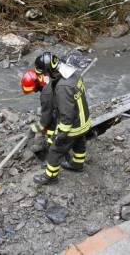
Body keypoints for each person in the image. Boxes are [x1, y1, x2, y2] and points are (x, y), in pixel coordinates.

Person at [32, 52, 91, 185]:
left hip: (73, 125)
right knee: (79, 141)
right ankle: (77, 164)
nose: (45, 76)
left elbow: (66, 114)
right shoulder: (74, 74)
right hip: (84, 121)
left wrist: (60, 134)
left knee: (55, 150)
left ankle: (50, 176)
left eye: (45, 73)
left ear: (49, 70)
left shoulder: (63, 87)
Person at [21, 69, 56, 154]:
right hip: (64, 107)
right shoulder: (46, 78)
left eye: (33, 89)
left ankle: (52, 148)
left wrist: (34, 129)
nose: (34, 91)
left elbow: (45, 120)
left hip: (63, 114)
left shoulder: (46, 94)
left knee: (51, 124)